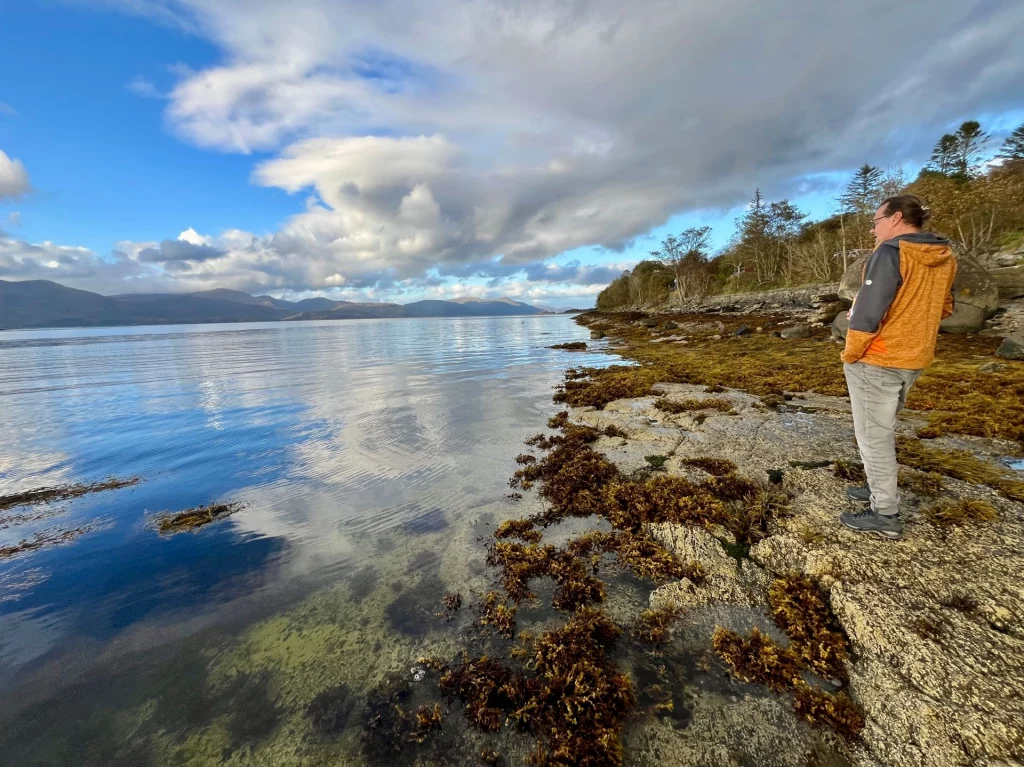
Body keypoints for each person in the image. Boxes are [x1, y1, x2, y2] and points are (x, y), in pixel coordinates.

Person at [839, 194, 956, 539]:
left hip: (879, 358)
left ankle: (885, 513)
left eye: (875, 222)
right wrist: (908, 321)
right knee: (882, 427)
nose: (873, 230)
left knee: (873, 436)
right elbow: (945, 306)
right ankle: (878, 488)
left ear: (897, 218)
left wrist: (851, 352)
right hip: (915, 356)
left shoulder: (890, 253)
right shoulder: (943, 255)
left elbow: (868, 313)